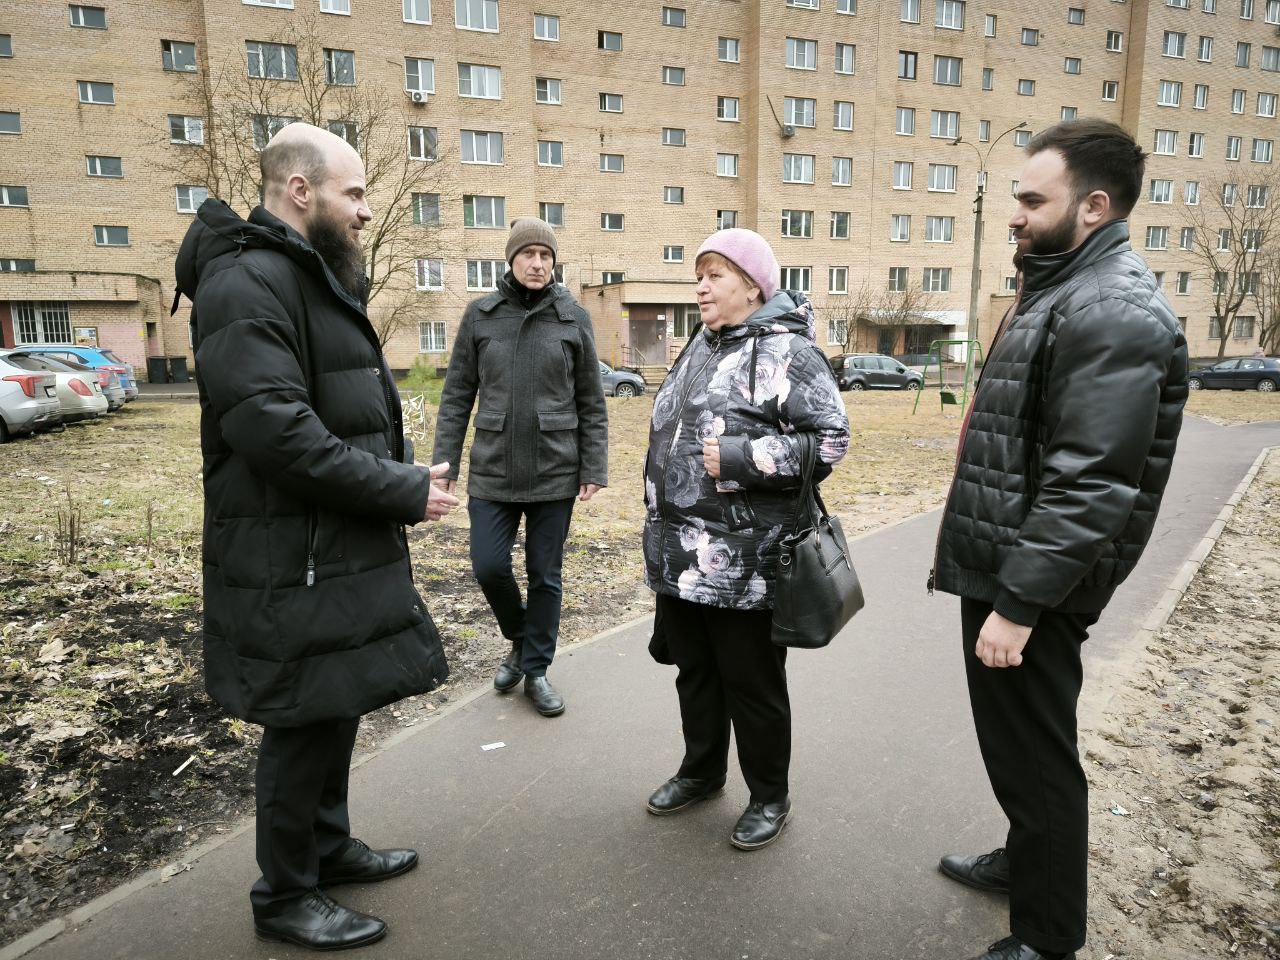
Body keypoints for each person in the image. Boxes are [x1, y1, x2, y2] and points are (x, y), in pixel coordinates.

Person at [175, 123, 460, 951]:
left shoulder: (302, 274)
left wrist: (394, 481)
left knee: (334, 702)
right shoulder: (245, 282)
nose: (367, 212)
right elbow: (276, 432)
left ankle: (327, 848)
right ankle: (286, 895)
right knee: (302, 720)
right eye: (356, 193)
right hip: (285, 551)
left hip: (325, 541)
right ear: (300, 190)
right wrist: (401, 489)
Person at [929, 119, 1189, 960]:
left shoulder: (1110, 307)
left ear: (1094, 206)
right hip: (1008, 561)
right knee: (1015, 745)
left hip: (1033, 582)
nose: (1015, 214)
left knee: (1039, 754)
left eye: (1033, 199)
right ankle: (1026, 862)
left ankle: (1047, 937)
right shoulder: (1060, 288)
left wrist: (1019, 603)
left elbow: (1091, 480)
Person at [641, 228, 850, 850]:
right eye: (698, 274)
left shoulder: (789, 352)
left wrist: (743, 456)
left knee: (751, 682)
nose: (701, 285)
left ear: (753, 285)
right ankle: (701, 773)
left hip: (746, 560)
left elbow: (832, 439)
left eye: (716, 274)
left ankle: (769, 795)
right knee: (694, 672)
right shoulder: (701, 345)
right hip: (681, 553)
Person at [432, 217, 608, 717]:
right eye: (529, 254)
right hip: (494, 467)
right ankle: (521, 637)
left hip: (555, 468)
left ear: (554, 263)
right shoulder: (480, 315)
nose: (538, 263)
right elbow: (457, 395)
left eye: (546, 255)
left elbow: (592, 401)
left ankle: (535, 669)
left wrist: (593, 465)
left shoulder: (572, 317)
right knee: (488, 565)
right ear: (511, 259)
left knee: (545, 574)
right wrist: (444, 464)